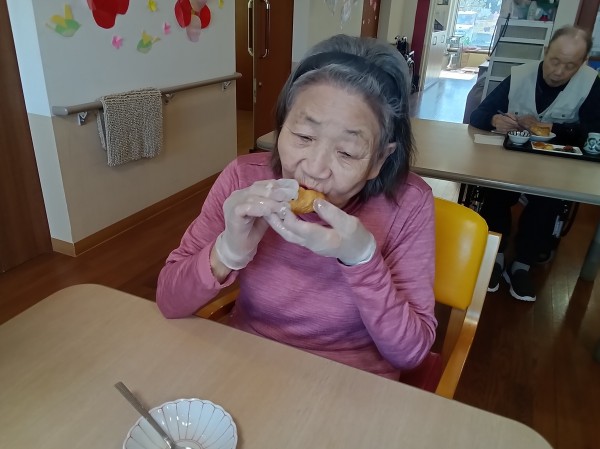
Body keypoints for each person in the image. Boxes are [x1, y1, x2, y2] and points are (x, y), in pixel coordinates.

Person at [156, 35, 437, 380]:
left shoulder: (410, 204)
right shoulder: (243, 178)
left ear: (380, 159)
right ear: (281, 126)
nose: (315, 169)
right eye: (303, 136)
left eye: (347, 152)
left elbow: (410, 353)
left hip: (350, 381)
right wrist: (226, 252)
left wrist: (363, 260)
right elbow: (168, 299)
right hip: (250, 364)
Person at [470, 25, 600, 302]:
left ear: (583, 62)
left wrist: (553, 128)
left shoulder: (591, 84)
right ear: (545, 51)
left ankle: (522, 264)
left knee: (548, 200)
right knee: (495, 191)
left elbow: (594, 133)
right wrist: (495, 120)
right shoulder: (521, 75)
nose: (558, 72)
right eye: (554, 61)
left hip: (559, 166)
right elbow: (478, 115)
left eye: (570, 66)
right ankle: (496, 256)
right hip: (511, 161)